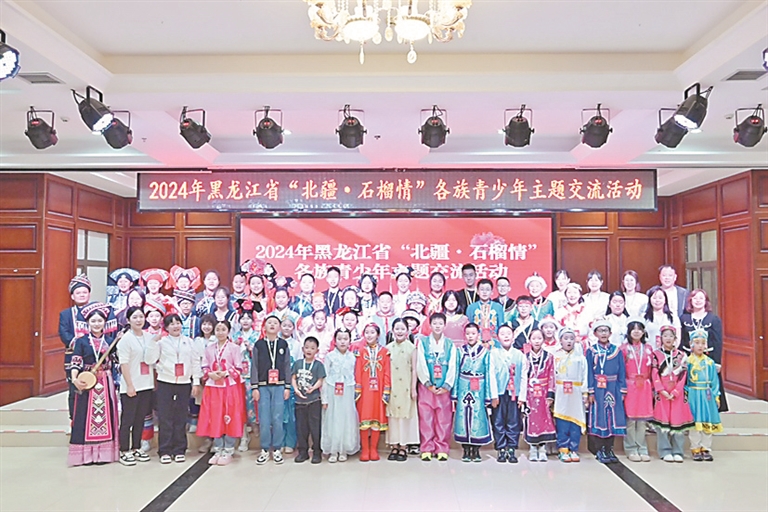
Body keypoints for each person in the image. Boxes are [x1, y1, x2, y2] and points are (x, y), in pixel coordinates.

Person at [68, 302, 121, 466]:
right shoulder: (81, 341)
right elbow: (76, 361)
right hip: (87, 381)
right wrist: (75, 379)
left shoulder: (111, 341)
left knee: (106, 416)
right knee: (84, 416)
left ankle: (103, 455)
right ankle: (86, 455)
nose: (97, 324)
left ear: (104, 323)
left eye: (100, 321)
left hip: (105, 381)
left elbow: (117, 362)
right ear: (88, 323)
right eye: (93, 321)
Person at [146, 314, 202, 464]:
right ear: (166, 327)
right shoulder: (161, 343)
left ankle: (179, 449)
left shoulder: (189, 342)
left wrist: (196, 382)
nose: (175, 326)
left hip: (184, 383)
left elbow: (195, 362)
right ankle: (164, 450)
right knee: (165, 417)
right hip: (165, 382)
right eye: (171, 324)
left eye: (178, 323)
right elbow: (150, 360)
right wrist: (153, 342)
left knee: (181, 416)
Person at [198, 319, 246, 466]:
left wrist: (226, 373)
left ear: (228, 331)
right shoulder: (209, 348)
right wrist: (210, 374)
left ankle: (229, 449)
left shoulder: (234, 348)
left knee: (230, 415)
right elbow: (204, 366)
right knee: (215, 416)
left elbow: (239, 368)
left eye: (223, 329)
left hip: (229, 386)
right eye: (218, 329)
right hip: (213, 387)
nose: (220, 332)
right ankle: (218, 448)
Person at [415, 312, 458, 461]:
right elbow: (420, 363)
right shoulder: (423, 343)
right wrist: (427, 383)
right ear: (430, 325)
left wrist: (447, 385)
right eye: (435, 323)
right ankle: (426, 447)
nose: (437, 326)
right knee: (426, 418)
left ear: (445, 325)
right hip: (427, 387)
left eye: (440, 323)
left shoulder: (450, 344)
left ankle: (442, 448)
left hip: (444, 387)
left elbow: (453, 365)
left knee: (443, 419)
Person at [453, 323, 497, 462]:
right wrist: (455, 393)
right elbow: (455, 371)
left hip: (479, 386)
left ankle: (476, 449)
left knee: (478, 416)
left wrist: (488, 395)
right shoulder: (460, 351)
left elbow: (488, 373)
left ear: (478, 335)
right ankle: (466, 449)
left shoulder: (485, 352)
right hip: (463, 384)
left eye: (473, 333)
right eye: (468, 334)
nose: (470, 336)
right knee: (463, 417)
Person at [251, 315, 292, 465]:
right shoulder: (259, 345)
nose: (272, 325)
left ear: (279, 327)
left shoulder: (283, 344)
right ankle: (264, 449)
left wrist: (287, 386)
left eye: (275, 323)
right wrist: (254, 387)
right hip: (263, 386)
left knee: (277, 418)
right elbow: (254, 366)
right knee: (264, 419)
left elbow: (287, 366)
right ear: (264, 326)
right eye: (269, 323)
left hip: (280, 386)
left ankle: (277, 449)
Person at [117, 306, 155, 466]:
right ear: (128, 320)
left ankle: (137, 447)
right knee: (128, 419)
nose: (138, 320)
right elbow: (124, 364)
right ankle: (124, 450)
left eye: (141, 316)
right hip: (130, 385)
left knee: (140, 418)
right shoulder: (125, 339)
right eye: (135, 317)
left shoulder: (149, 337)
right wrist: (130, 385)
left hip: (146, 384)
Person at [650, 325, 693, 463]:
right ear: (661, 338)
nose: (668, 339)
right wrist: (661, 390)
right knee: (662, 422)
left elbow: (683, 375)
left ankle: (678, 451)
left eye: (670, 336)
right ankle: (664, 451)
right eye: (665, 336)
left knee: (677, 421)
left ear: (675, 338)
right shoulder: (656, 355)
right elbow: (654, 374)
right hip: (662, 393)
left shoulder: (681, 356)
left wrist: (676, 391)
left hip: (677, 394)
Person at [680, 289, 728, 412]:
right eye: (695, 298)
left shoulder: (714, 319)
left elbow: (717, 342)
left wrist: (717, 362)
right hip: (689, 358)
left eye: (701, 298)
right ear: (690, 301)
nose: (698, 301)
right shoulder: (684, 318)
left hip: (708, 358)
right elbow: (681, 340)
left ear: (706, 301)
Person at [587, 319, 627, 464]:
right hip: (598, 387)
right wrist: (590, 391)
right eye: (600, 331)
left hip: (613, 387)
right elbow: (589, 372)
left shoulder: (617, 351)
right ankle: (600, 449)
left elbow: (622, 371)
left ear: (610, 333)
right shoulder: (591, 351)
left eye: (606, 331)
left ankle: (610, 449)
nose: (603, 333)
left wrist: (622, 389)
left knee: (613, 418)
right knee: (599, 417)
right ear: (595, 333)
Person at [321, 328, 360, 462]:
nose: (342, 342)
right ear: (335, 340)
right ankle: (333, 450)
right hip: (332, 391)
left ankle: (344, 449)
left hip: (348, 392)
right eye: (339, 339)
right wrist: (324, 398)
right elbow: (325, 378)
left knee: (346, 419)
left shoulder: (353, 357)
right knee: (333, 419)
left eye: (345, 339)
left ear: (350, 341)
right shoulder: (330, 356)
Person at [354, 323, 391, 462]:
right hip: (364, 390)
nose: (369, 335)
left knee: (377, 418)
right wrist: (358, 388)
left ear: (378, 335)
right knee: (364, 418)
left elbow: (387, 371)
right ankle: (365, 449)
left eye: (372, 332)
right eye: (367, 332)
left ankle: (373, 449)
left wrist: (386, 389)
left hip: (379, 390)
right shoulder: (360, 351)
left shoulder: (385, 352)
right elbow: (357, 371)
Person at [490, 324, 526, 463]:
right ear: (497, 337)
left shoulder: (519, 355)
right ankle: (501, 448)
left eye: (508, 334)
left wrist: (522, 397)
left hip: (514, 393)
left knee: (513, 421)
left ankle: (511, 448)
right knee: (498, 421)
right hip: (499, 393)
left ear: (513, 336)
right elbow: (491, 375)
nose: (506, 336)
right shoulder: (493, 354)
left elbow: (523, 376)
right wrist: (493, 395)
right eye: (502, 334)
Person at [552, 327, 588, 463]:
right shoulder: (555, 357)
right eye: (566, 338)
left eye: (571, 338)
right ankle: (563, 448)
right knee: (562, 421)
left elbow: (585, 376)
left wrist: (585, 392)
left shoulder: (580, 358)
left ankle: (574, 448)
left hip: (576, 392)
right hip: (561, 392)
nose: (569, 341)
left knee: (575, 421)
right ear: (560, 340)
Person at [686, 329, 723, 462]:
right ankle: (695, 448)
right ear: (691, 344)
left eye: (703, 343)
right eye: (697, 343)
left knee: (708, 422)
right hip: (694, 394)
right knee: (695, 423)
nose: (700, 346)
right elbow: (684, 381)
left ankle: (706, 447)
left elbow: (714, 381)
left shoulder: (710, 363)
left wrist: (716, 396)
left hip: (707, 395)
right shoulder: (688, 362)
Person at [385, 318, 419, 461]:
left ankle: (403, 446)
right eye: (397, 329)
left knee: (405, 417)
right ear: (392, 331)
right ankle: (394, 445)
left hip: (406, 387)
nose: (399, 331)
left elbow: (414, 369)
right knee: (392, 417)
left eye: (402, 329)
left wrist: (413, 388)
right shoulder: (387, 348)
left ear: (408, 331)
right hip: (392, 387)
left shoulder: (412, 348)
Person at [60, 274, 93, 419]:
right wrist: (81, 345)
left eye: (85, 292)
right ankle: (74, 419)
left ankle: (91, 419)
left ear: (89, 294)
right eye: (78, 293)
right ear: (72, 296)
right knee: (74, 389)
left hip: (93, 357)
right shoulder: (66, 314)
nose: (82, 295)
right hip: (72, 356)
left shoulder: (96, 311)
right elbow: (64, 334)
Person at [621, 318, 654, 462]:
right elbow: (621, 370)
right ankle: (631, 448)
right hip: (630, 385)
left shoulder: (648, 349)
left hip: (645, 386)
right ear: (628, 332)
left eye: (639, 329)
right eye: (633, 329)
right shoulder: (623, 349)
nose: (636, 331)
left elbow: (653, 369)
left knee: (642, 421)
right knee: (630, 420)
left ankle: (642, 448)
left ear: (643, 332)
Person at [521, 328, 556, 462]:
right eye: (534, 338)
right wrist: (522, 396)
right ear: (529, 340)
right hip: (530, 393)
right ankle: (532, 448)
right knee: (531, 419)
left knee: (544, 418)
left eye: (539, 338)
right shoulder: (525, 356)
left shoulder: (549, 357)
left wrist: (550, 394)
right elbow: (523, 376)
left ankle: (542, 448)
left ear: (543, 340)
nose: (536, 341)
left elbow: (551, 375)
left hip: (543, 392)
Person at [292, 336, 326, 464]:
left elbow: (321, 380)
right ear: (302, 349)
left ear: (317, 350)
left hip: (314, 401)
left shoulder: (318, 365)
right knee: (301, 428)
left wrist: (313, 388)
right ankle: (303, 452)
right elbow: (293, 378)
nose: (309, 350)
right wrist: (296, 390)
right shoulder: (298, 363)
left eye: (312, 348)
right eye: (306, 347)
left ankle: (317, 452)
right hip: (299, 401)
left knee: (315, 427)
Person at [233, 301, 260, 452]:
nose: (245, 321)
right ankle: (243, 435)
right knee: (239, 405)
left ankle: (255, 425)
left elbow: (261, 356)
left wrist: (251, 348)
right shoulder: (235, 336)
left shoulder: (257, 336)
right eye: (242, 318)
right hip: (237, 375)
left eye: (248, 318)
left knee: (252, 402)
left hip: (252, 374)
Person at [191, 314, 216, 451]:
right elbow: (194, 361)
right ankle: (207, 439)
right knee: (204, 410)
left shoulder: (217, 339)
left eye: (209, 324)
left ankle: (216, 439)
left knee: (215, 410)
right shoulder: (197, 341)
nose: (206, 327)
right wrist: (198, 378)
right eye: (204, 324)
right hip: (201, 379)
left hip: (215, 379)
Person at [280, 317, 300, 455]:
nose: (286, 328)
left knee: (292, 414)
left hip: (292, 381)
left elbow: (298, 364)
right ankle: (280, 442)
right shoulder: (275, 342)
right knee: (279, 413)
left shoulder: (297, 345)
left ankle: (290, 442)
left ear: (293, 328)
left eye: (289, 326)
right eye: (284, 325)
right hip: (277, 382)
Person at [465, 279, 505, 345]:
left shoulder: (498, 307)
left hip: (494, 343)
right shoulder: (471, 307)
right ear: (477, 291)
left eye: (487, 290)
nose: (484, 292)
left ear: (492, 292)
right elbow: (469, 326)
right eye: (482, 289)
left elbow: (501, 326)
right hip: (476, 343)